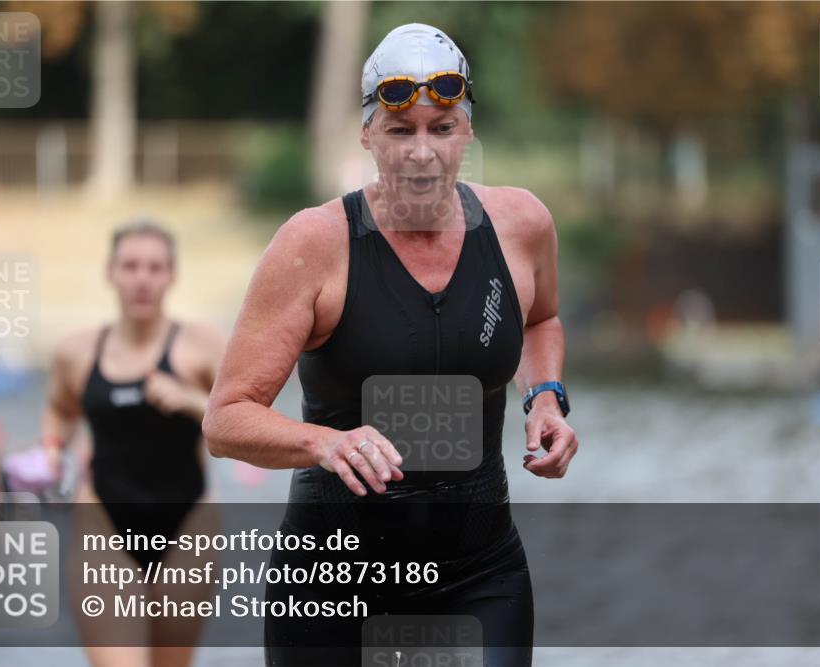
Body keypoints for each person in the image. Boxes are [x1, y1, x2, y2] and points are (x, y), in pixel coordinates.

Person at [204, 23, 578, 667]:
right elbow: (226, 419)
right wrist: (326, 441)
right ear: (368, 134)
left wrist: (545, 397)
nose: (422, 153)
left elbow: (541, 321)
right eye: (401, 131)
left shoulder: (521, 225)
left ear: (468, 131)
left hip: (479, 573)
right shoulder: (314, 244)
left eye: (442, 127)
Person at [42, 219, 226, 667]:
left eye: (155, 267)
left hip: (188, 524)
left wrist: (190, 400)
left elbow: (243, 425)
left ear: (171, 275)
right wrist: (50, 449)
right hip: (103, 519)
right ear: (110, 272)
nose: (142, 278)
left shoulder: (202, 346)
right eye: (130, 266)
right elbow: (60, 411)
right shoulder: (77, 350)